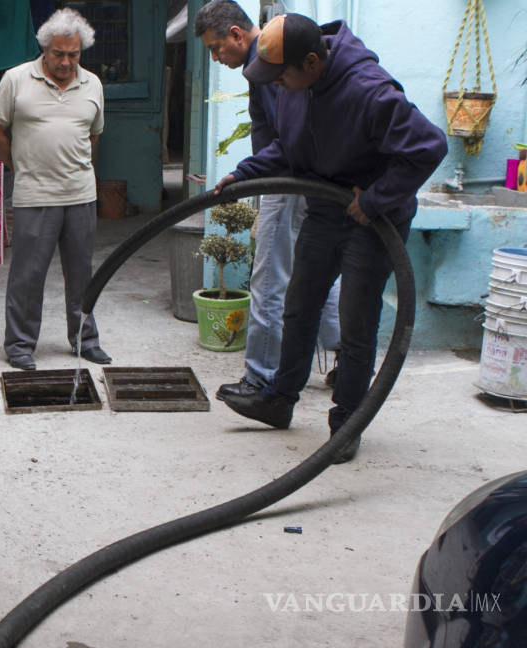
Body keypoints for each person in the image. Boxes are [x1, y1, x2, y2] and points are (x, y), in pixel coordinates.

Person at [214, 13, 447, 463]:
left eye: (281, 74)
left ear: (313, 62)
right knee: (299, 307)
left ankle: (346, 425)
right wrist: (244, 174)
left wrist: (377, 199)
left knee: (356, 321)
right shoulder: (296, 86)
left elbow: (428, 146)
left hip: (370, 217)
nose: (277, 84)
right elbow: (289, 145)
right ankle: (279, 399)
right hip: (325, 207)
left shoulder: (370, 91)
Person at [193, 0, 341, 401]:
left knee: (270, 280)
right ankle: (342, 355)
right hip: (301, 176)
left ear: (237, 35)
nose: (215, 56)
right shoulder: (261, 68)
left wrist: (260, 177)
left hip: (291, 179)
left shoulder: (271, 63)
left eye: (216, 47)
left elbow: (287, 137)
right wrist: (250, 174)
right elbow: (269, 132)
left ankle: (260, 377)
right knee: (317, 270)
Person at [0, 7, 112, 371]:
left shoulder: (93, 84)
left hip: (80, 196)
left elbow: (94, 135)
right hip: (34, 195)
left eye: (73, 54)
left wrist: (79, 169)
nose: (66, 61)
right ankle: (21, 345)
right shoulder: (15, 79)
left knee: (82, 276)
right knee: (27, 276)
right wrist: (20, 166)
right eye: (59, 53)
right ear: (44, 48)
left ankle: (85, 340)